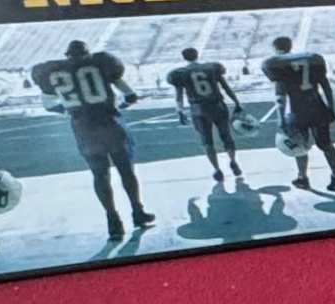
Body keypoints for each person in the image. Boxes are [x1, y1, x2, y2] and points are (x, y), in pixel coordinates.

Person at [37, 37, 154, 242]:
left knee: (100, 175)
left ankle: (113, 221)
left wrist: (70, 111)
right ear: (87, 53)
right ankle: (137, 211)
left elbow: (48, 105)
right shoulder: (102, 64)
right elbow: (130, 95)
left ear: (67, 56)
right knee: (126, 170)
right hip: (109, 123)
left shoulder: (54, 71)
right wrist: (121, 107)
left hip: (84, 128)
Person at [258, 31, 335, 195]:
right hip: (317, 106)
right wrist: (331, 108)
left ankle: (303, 177)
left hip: (296, 110)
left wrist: (281, 119)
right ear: (290, 46)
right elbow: (326, 85)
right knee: (326, 144)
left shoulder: (277, 64)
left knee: (299, 145)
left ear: (276, 48)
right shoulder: (312, 59)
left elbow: (280, 96)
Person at [164, 44, 250, 188]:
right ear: (197, 55)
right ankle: (233, 160)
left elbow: (179, 96)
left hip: (199, 109)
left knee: (207, 141)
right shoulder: (211, 68)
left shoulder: (180, 74)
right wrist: (236, 102)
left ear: (184, 58)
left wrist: (180, 110)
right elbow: (226, 87)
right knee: (226, 136)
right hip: (218, 105)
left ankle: (217, 169)